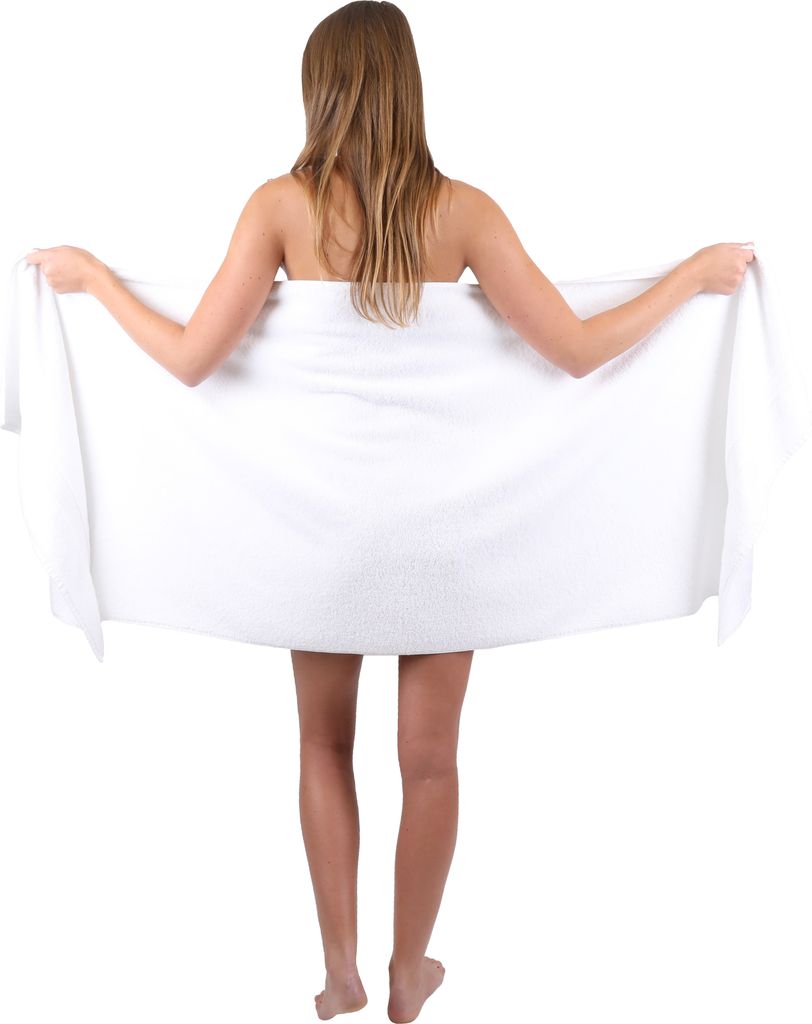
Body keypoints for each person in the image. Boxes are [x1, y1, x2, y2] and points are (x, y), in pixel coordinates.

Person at [25, 2, 756, 1020]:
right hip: (441, 537)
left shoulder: (280, 207)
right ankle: (411, 972)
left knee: (322, 747)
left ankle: (341, 972)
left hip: (318, 535)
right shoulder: (462, 212)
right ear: (408, 87)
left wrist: (96, 280)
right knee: (432, 764)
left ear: (319, 89)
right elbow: (579, 352)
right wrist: (691, 278)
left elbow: (191, 362)